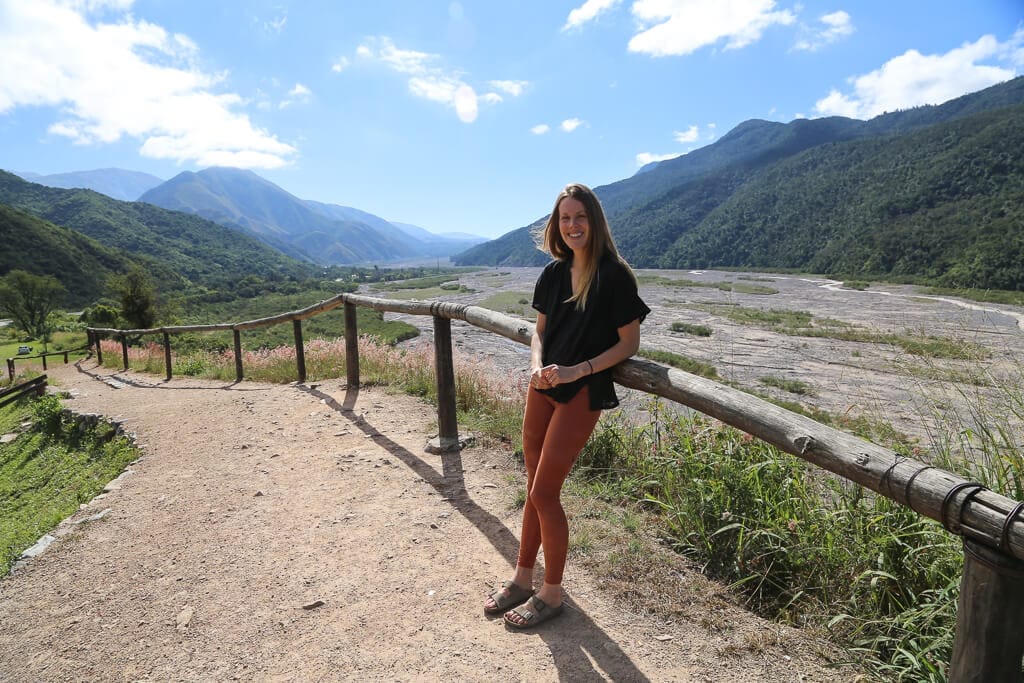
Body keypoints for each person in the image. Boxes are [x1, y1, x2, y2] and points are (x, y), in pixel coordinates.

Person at [484, 183, 650, 629]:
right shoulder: (553, 273)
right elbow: (539, 331)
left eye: (580, 217)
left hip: (581, 391)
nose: (572, 225)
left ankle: (551, 592)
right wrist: (537, 364)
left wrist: (581, 370)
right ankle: (522, 577)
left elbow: (629, 342)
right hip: (543, 386)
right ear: (557, 226)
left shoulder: (614, 276)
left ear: (594, 221)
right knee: (533, 484)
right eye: (564, 218)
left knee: (543, 492)